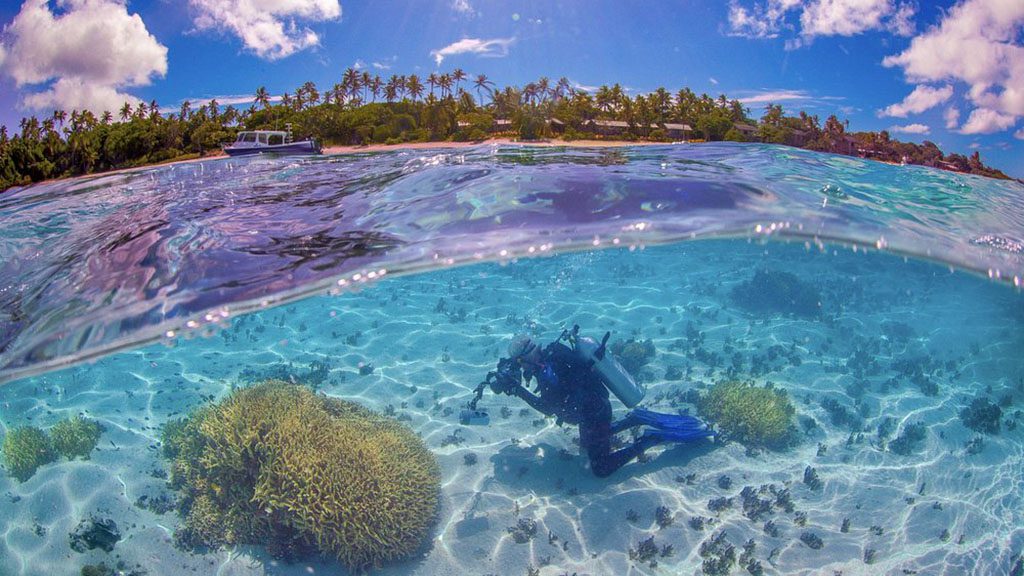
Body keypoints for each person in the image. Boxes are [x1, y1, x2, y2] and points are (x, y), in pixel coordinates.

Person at [486, 331, 713, 477]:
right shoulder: (553, 352)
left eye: (521, 363)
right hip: (594, 411)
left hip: (595, 414)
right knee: (586, 445)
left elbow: (547, 408)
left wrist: (518, 391)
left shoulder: (548, 372)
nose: (522, 368)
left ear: (529, 357)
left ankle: (650, 439)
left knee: (601, 469)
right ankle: (633, 419)